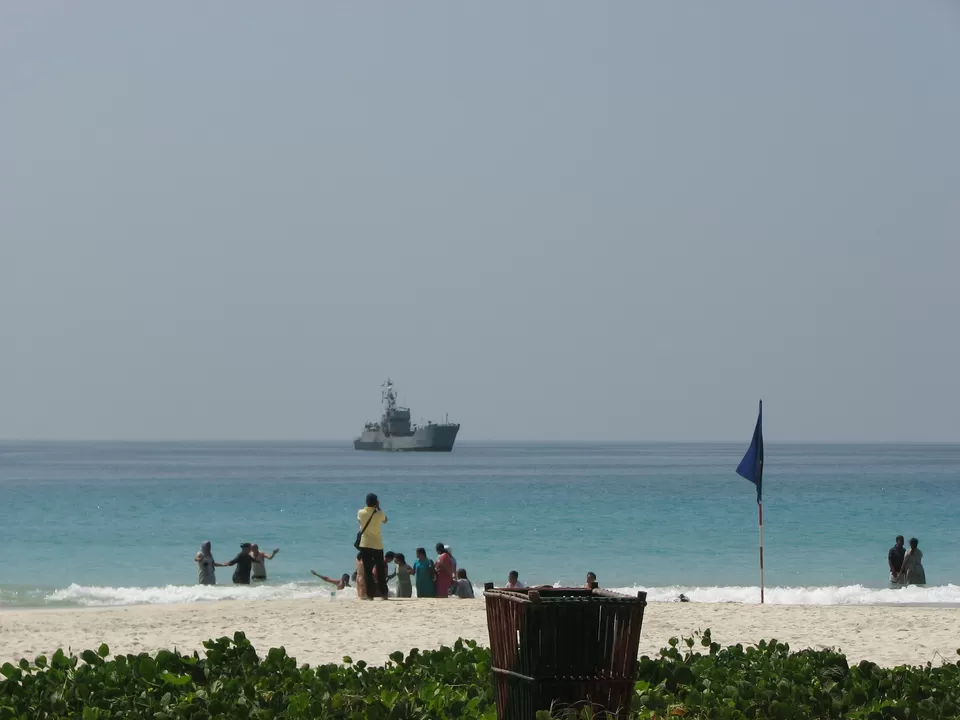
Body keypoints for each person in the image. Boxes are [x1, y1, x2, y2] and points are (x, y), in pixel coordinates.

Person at [357, 493, 389, 600]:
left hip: (365, 544)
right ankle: (384, 594)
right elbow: (385, 520)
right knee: (380, 570)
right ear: (376, 502)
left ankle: (370, 595)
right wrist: (378, 508)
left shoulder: (361, 513)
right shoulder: (379, 514)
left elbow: (360, 522)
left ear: (366, 502)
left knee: (368, 571)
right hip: (377, 545)